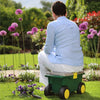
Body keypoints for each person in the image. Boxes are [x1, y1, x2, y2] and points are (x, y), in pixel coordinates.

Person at [38, 1, 83, 86]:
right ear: (66, 13)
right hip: (79, 65)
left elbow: (48, 50)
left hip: (64, 67)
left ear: (53, 13)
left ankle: (47, 85)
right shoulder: (74, 25)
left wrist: (44, 48)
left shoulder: (52, 25)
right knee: (54, 56)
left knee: (41, 55)